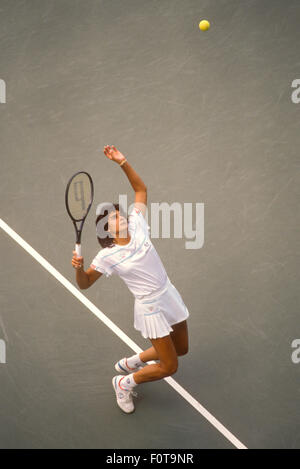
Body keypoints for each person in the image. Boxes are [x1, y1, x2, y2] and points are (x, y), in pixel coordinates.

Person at [71, 145, 189, 414]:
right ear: (107, 230)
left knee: (181, 348)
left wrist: (122, 161)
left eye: (118, 213)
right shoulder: (107, 256)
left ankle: (133, 361)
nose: (120, 216)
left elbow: (141, 190)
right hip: (150, 308)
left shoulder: (137, 224)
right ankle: (123, 382)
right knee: (170, 366)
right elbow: (85, 283)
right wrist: (78, 268)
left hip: (168, 293)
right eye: (113, 217)